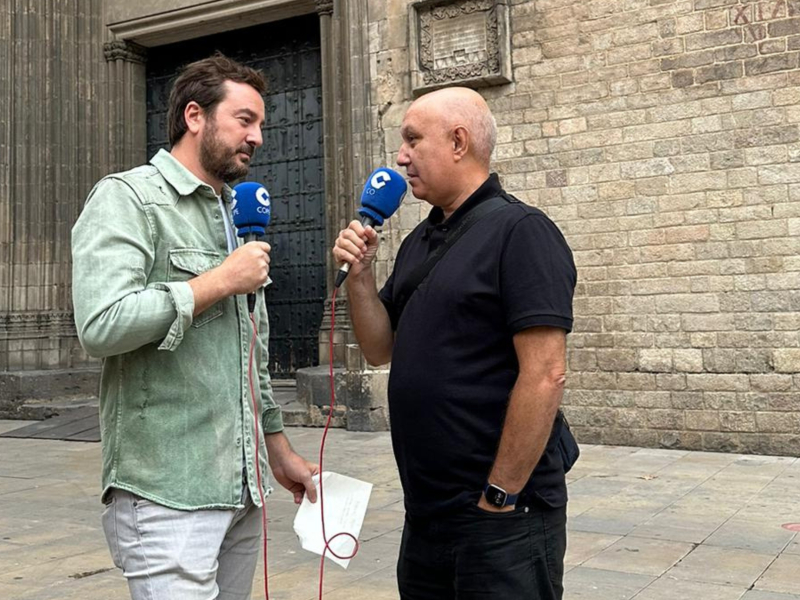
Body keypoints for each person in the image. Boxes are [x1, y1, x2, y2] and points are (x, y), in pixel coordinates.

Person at [71, 54, 318, 600]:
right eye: (245, 120)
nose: (257, 138)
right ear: (194, 116)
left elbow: (248, 355)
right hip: (167, 494)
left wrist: (279, 452)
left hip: (242, 490)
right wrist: (217, 282)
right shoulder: (128, 198)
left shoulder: (234, 214)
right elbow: (101, 324)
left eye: (261, 125)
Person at [333, 87, 577, 599]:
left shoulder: (522, 232)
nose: (400, 157)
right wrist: (360, 277)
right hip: (427, 517)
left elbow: (545, 372)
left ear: (459, 142)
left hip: (501, 520)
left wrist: (500, 495)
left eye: (412, 140)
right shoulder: (419, 241)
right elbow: (381, 349)